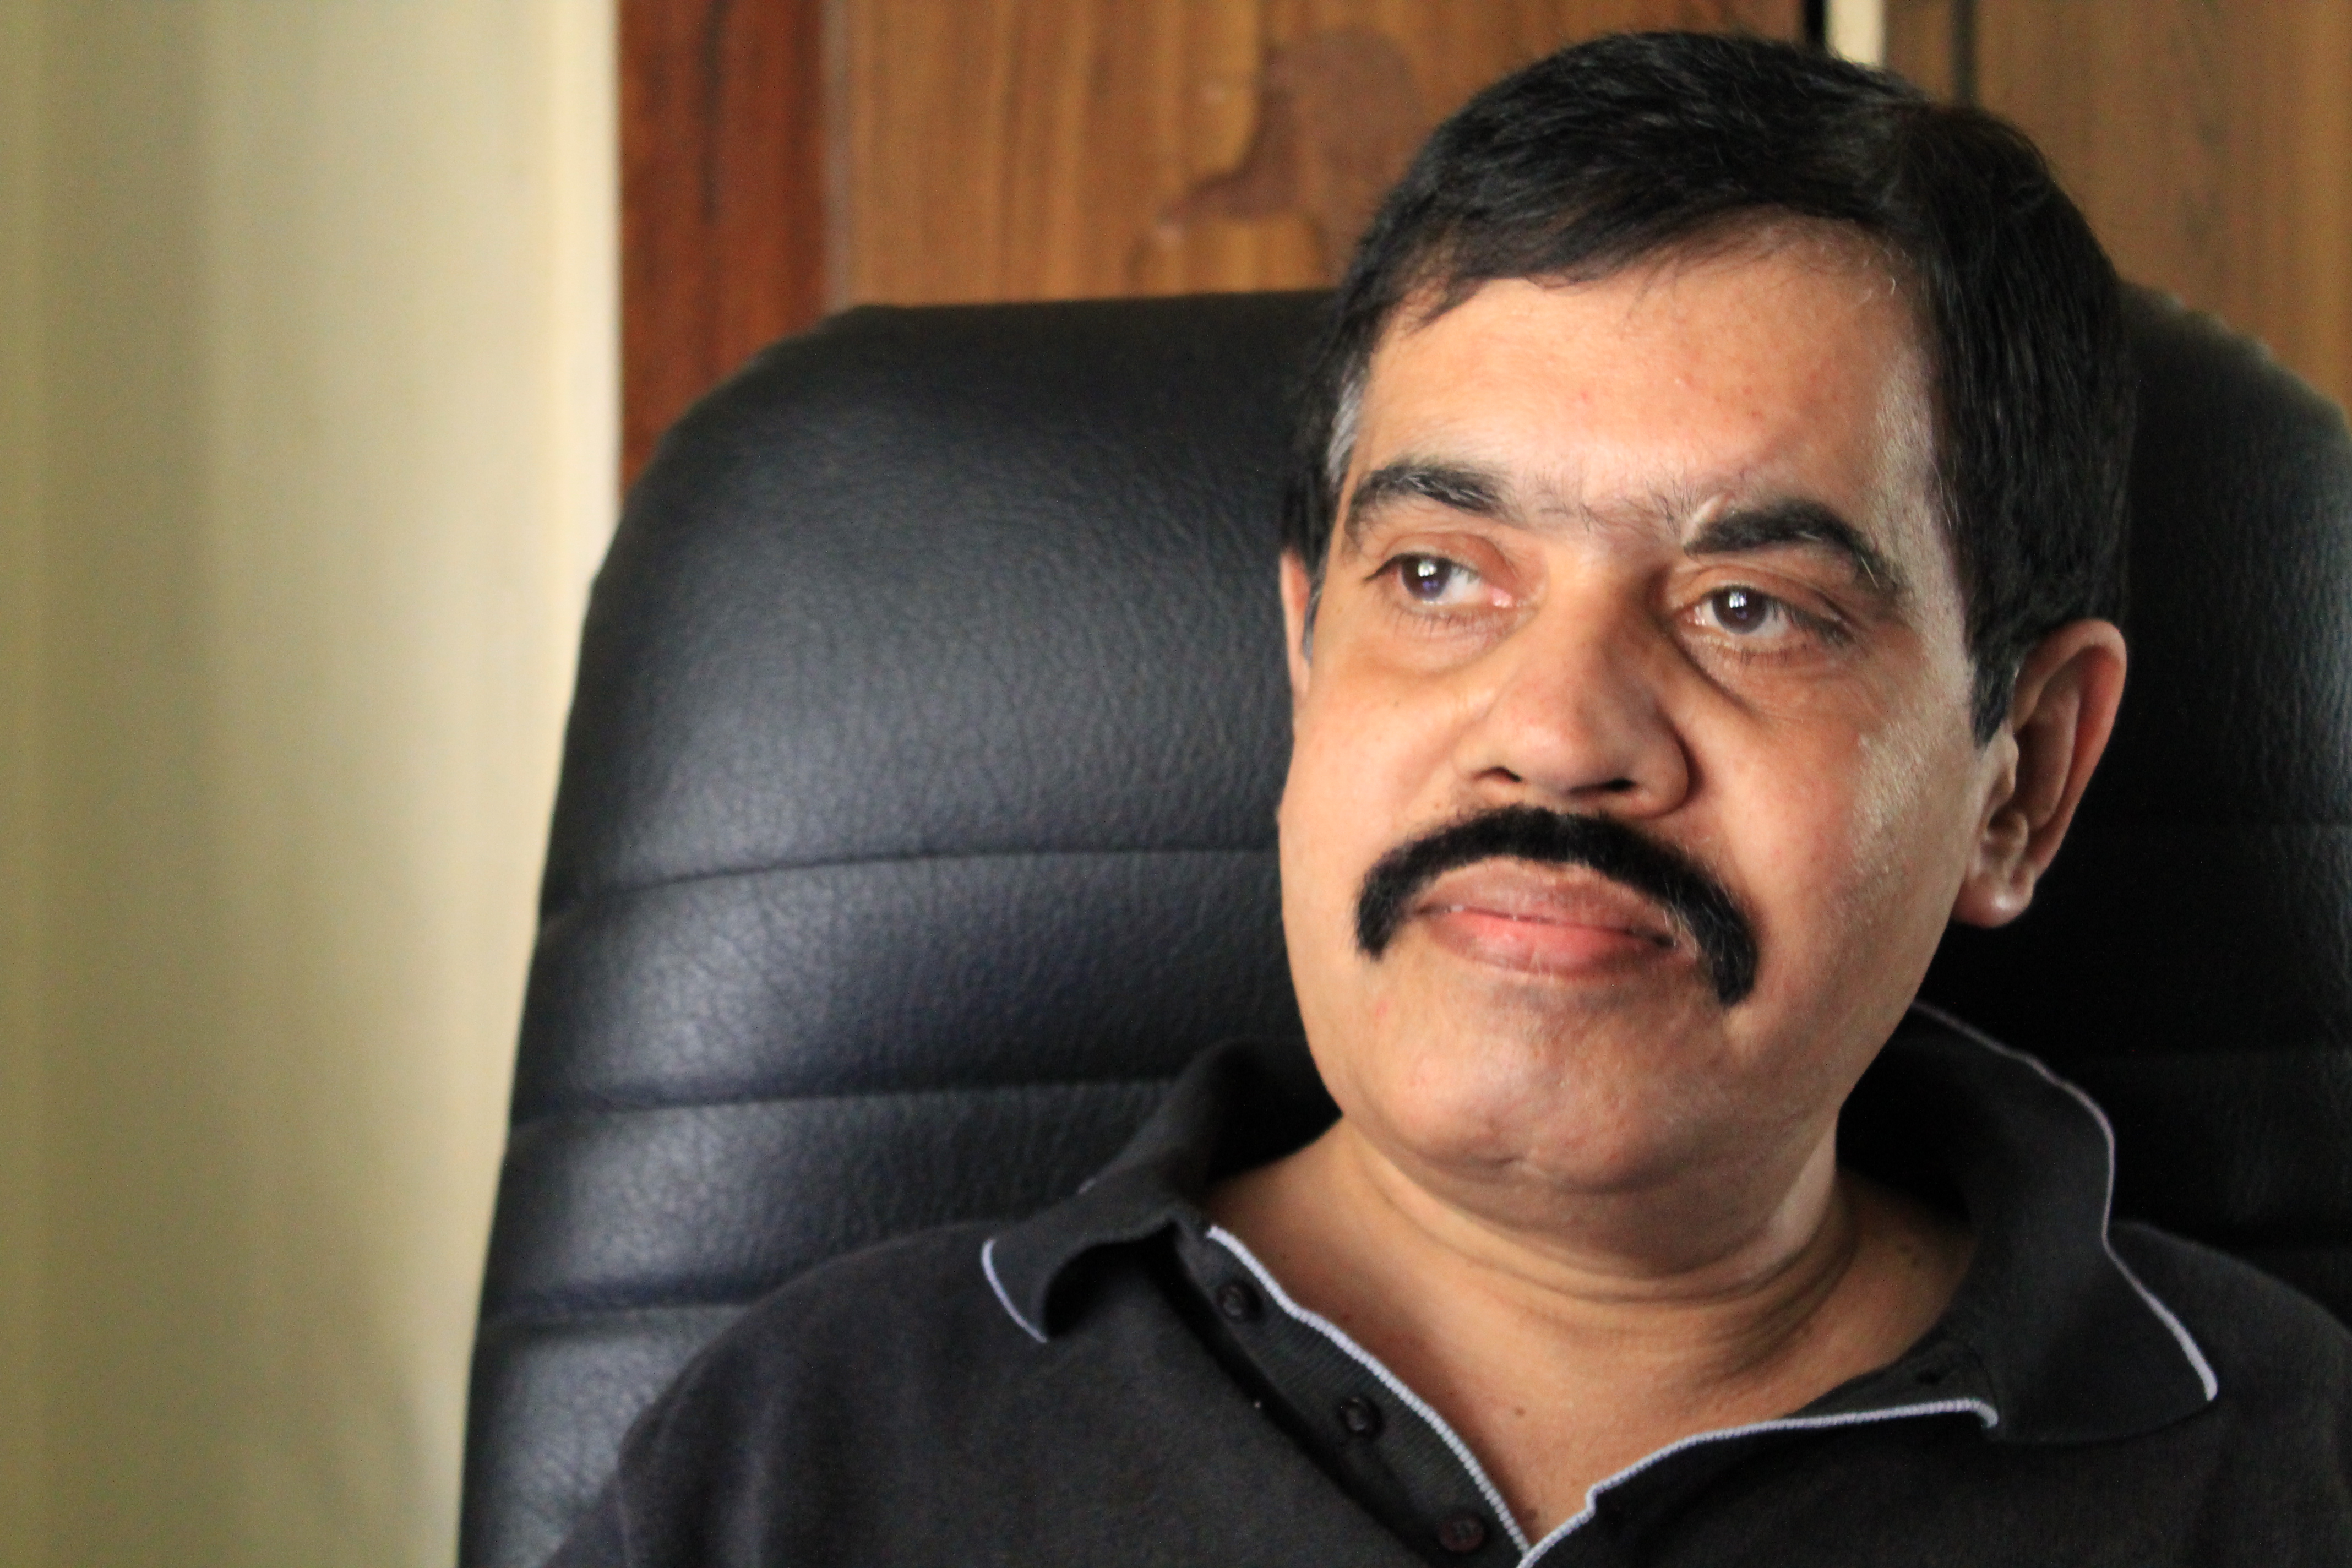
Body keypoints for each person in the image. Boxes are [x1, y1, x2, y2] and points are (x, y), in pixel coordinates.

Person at [546, 31, 2352, 1566]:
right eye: (1437, 578)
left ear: (2020, 778)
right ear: (1306, 658)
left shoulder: (2289, 1480)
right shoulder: (816, 1451)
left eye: (1749, 609)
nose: (1554, 737)